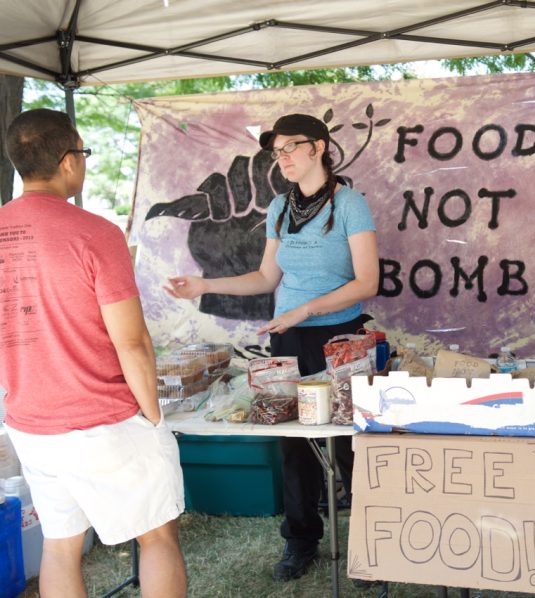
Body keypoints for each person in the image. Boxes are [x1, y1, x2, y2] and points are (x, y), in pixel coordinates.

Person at [164, 113, 379, 582]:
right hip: (286, 337)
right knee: (292, 445)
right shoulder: (279, 207)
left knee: (350, 445)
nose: (280, 158)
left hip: (339, 339)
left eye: (289, 148)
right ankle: (301, 539)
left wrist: (307, 309)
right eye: (275, 152)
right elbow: (265, 278)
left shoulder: (350, 204)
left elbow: (368, 281)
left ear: (319, 147)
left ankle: (370, 542)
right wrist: (203, 284)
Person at [0, 109, 187, 598]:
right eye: (82, 154)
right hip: (106, 419)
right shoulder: (95, 233)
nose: (82, 163)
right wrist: (151, 416)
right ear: (67, 161)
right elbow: (132, 341)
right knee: (157, 535)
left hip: (31, 423)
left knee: (61, 546)